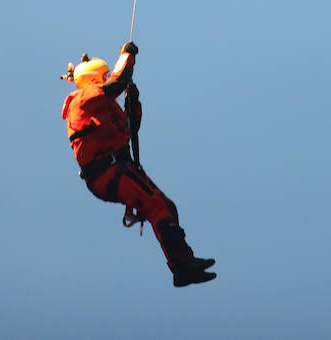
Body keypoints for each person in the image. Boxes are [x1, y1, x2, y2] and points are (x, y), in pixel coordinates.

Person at [61, 41, 217, 287]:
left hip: (118, 168)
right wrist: (127, 55)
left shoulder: (105, 107)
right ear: (93, 78)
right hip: (106, 171)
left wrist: (133, 104)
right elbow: (118, 81)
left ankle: (184, 261)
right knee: (155, 204)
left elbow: (129, 129)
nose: (105, 79)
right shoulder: (83, 99)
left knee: (166, 206)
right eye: (102, 76)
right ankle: (182, 268)